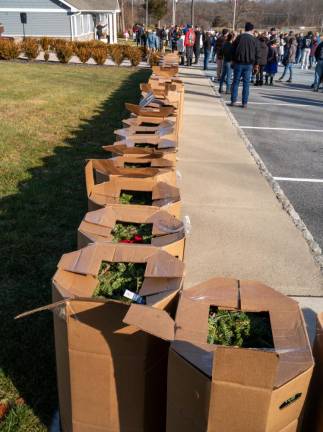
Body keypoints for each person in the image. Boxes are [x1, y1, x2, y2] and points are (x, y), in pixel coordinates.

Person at [230, 22, 258, 108]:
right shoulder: (254, 39)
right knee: (246, 84)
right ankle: (244, 102)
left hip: (238, 62)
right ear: (252, 30)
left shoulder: (239, 37)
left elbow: (232, 49)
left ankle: (233, 100)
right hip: (249, 64)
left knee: (236, 82)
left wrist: (232, 60)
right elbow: (257, 53)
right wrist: (256, 65)